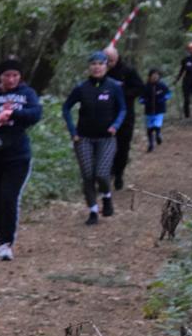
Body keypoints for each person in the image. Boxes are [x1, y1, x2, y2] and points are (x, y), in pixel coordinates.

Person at [0, 58, 43, 261]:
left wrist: (13, 112)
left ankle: (6, 242)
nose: (12, 79)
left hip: (18, 155)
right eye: (7, 75)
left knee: (8, 197)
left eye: (15, 75)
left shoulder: (26, 93)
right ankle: (0, 232)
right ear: (0, 76)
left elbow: (36, 113)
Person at [62, 50, 127, 225]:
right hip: (83, 138)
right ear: (89, 67)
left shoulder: (114, 86)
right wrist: (72, 131)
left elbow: (123, 108)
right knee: (87, 175)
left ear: (106, 66)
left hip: (106, 138)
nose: (97, 67)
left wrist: (116, 125)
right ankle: (92, 211)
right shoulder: (81, 88)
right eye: (93, 64)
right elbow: (66, 108)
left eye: (100, 64)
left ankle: (106, 196)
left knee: (102, 174)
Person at [103, 44, 143, 191]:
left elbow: (140, 88)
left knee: (122, 147)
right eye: (106, 60)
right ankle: (106, 174)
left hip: (125, 116)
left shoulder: (128, 71)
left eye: (111, 60)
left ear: (117, 57)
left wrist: (122, 94)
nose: (108, 63)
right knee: (105, 146)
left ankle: (119, 173)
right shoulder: (101, 71)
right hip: (105, 116)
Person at [142, 69, 171, 152]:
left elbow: (168, 93)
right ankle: (150, 144)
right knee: (149, 128)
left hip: (160, 109)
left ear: (159, 76)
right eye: (153, 75)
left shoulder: (162, 85)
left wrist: (164, 98)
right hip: (148, 110)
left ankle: (158, 135)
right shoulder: (146, 86)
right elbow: (141, 96)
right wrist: (142, 100)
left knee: (157, 125)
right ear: (149, 76)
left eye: (156, 75)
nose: (155, 77)